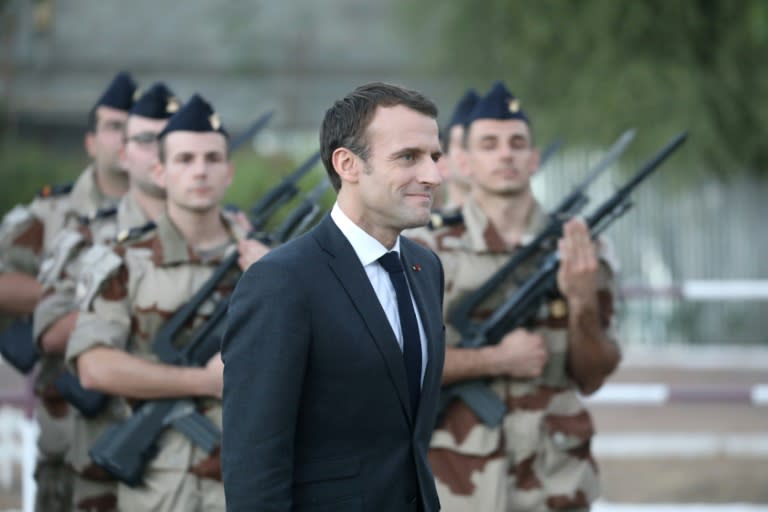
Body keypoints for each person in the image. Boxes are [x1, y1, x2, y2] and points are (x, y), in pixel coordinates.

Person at [222, 82, 446, 512]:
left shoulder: (425, 269)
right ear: (348, 164)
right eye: (408, 157)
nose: (433, 175)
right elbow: (254, 459)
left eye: (434, 156)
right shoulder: (282, 281)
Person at [406, 81, 621, 512]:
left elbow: (593, 375)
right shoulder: (424, 249)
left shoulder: (578, 248)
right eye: (490, 143)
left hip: (556, 481)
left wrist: (580, 302)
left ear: (534, 159)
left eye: (517, 143)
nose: (506, 154)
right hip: (459, 482)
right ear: (462, 161)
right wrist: (495, 360)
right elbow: (399, 362)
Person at [64, 94, 269, 511]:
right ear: (160, 171)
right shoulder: (124, 261)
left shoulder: (272, 263)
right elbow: (94, 367)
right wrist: (204, 382)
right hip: (160, 487)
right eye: (185, 159)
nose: (200, 171)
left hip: (249, 480)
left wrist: (273, 280)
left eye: (212, 159)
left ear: (229, 171)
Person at [33, 82, 179, 511]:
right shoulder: (88, 238)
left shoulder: (222, 240)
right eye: (145, 140)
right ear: (125, 152)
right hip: (103, 461)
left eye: (169, 141)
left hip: (190, 469)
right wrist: (129, 303)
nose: (157, 152)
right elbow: (49, 334)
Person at [0, 70, 138, 511]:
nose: (123, 139)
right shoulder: (49, 211)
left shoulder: (170, 216)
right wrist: (87, 300)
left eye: (134, 129)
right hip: (68, 416)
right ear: (91, 141)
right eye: (113, 127)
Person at [432, 88, 478, 214]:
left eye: (487, 146)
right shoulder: (419, 232)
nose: (476, 155)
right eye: (465, 145)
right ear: (442, 163)